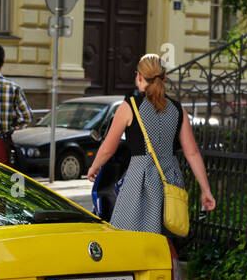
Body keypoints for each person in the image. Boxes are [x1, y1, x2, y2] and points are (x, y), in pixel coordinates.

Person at [86, 53, 216, 234]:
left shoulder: (129, 106)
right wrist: (206, 190)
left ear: (139, 76)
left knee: (128, 237)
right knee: (164, 236)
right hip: (170, 180)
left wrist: (94, 166)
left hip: (140, 179)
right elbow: (192, 153)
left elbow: (108, 147)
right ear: (164, 78)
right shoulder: (178, 110)